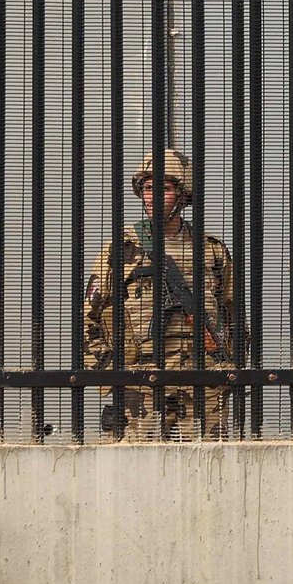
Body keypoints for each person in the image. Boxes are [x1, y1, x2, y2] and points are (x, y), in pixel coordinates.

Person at [84, 149, 242, 440]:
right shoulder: (122, 249)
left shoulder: (211, 250)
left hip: (203, 383)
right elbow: (89, 316)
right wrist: (109, 370)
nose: (153, 197)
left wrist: (229, 367)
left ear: (182, 195)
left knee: (208, 462)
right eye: (147, 188)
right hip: (140, 384)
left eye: (164, 189)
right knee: (133, 462)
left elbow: (233, 314)